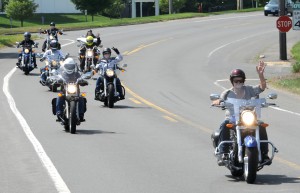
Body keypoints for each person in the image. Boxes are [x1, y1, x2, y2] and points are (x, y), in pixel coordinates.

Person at [211, 61, 269, 165]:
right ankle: (223, 153)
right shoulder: (227, 93)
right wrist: (218, 101)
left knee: (261, 125)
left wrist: (261, 75)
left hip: (248, 116)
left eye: (240, 80)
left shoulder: (249, 90)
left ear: (243, 80)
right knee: (225, 124)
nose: (238, 82)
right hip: (233, 118)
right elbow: (220, 99)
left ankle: (264, 154)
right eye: (235, 80)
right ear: (232, 81)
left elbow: (262, 87)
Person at [54, 58, 88, 122]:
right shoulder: (62, 74)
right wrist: (56, 81)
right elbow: (57, 78)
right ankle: (59, 113)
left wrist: (83, 81)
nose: (69, 67)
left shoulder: (77, 74)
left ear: (74, 66)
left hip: (76, 92)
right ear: (65, 66)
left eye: (71, 66)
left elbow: (81, 78)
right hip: (64, 92)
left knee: (81, 98)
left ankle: (81, 114)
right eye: (68, 66)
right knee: (59, 97)